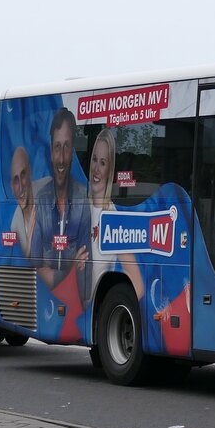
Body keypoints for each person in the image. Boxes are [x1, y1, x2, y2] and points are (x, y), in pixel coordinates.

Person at [31, 108, 90, 290]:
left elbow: (85, 270)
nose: (62, 158)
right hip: (48, 300)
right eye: (57, 147)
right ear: (51, 150)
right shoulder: (41, 199)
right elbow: (36, 262)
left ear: (73, 151)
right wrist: (71, 268)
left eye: (66, 147)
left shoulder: (83, 199)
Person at [87, 127, 144, 300]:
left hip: (87, 309)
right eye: (95, 160)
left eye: (103, 163)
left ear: (110, 170)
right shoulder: (76, 206)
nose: (96, 169)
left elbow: (139, 286)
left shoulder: (113, 217)